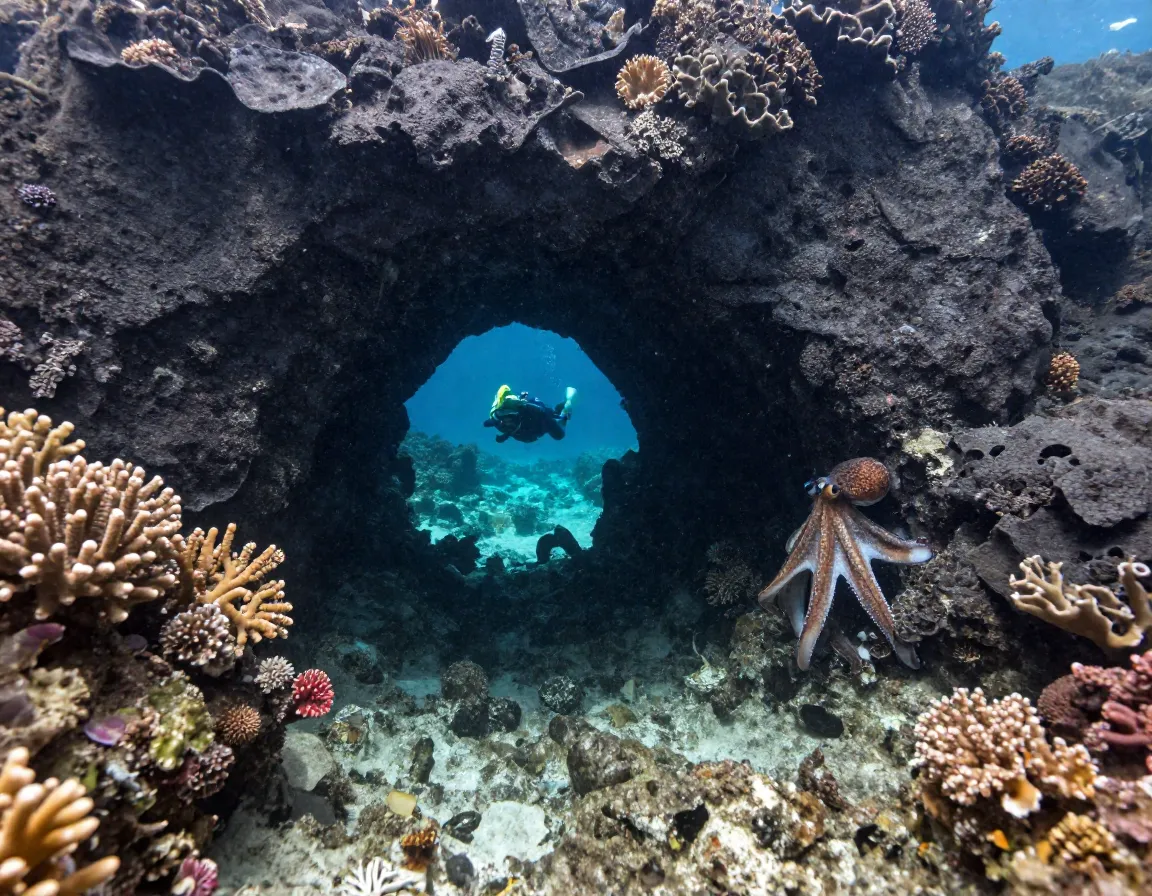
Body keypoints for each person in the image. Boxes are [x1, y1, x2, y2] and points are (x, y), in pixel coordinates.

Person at [484, 385, 576, 444]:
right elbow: (487, 423)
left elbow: (544, 413)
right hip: (531, 432)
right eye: (502, 415)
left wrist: (563, 417)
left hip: (540, 424)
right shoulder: (496, 419)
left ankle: (568, 401)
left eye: (510, 416)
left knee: (559, 435)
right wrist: (504, 436)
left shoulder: (530, 410)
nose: (506, 420)